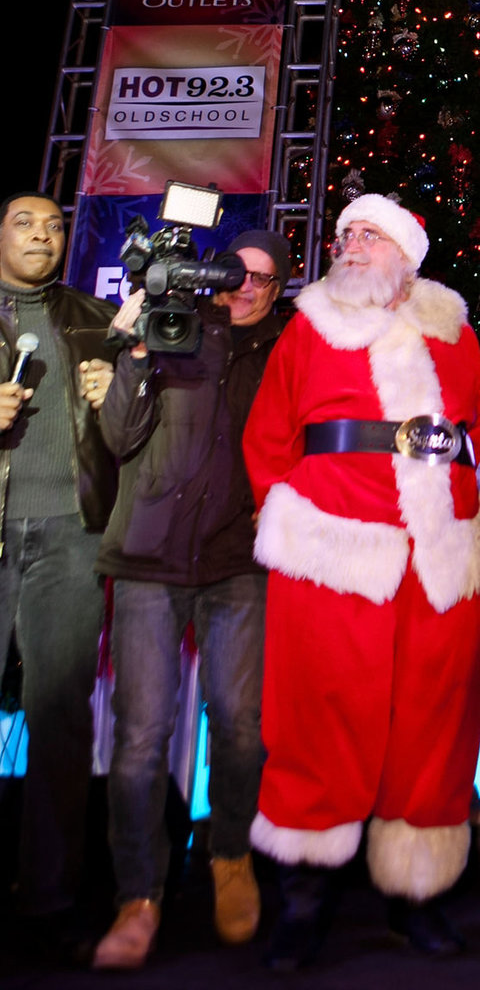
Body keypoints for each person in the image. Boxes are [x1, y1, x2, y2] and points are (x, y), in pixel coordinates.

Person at [243, 194, 480, 967]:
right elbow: (269, 436)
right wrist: (295, 520)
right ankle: (303, 901)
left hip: (438, 559)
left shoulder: (453, 332)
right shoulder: (309, 325)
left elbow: (473, 432)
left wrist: (463, 514)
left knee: (433, 724)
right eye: (344, 235)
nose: (350, 244)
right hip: (334, 555)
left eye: (369, 234)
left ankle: (417, 895)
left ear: (406, 253)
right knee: (319, 718)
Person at [90, 229, 293, 969]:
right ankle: (137, 895)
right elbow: (116, 437)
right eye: (238, 272)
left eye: (265, 280)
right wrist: (139, 355)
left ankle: (230, 858)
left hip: (240, 561)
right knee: (141, 736)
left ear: (279, 291)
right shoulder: (176, 328)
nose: (247, 286)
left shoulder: (288, 354)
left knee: (241, 725)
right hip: (148, 557)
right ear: (218, 273)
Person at [0, 191, 116, 949]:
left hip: (72, 536)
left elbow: (134, 428)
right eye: (23, 223)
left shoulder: (87, 317)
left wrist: (117, 396)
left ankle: (46, 898)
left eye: (53, 225)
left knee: (59, 721)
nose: (42, 234)